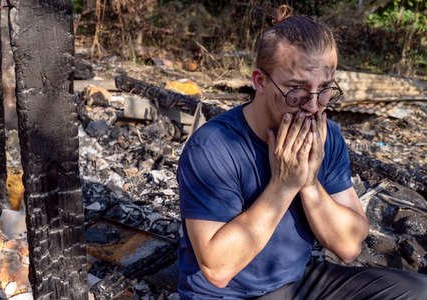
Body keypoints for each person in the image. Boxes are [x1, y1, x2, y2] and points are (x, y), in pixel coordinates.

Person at [177, 6, 427, 300]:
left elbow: (349, 246)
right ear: (259, 81)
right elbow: (217, 269)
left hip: (297, 283)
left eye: (324, 90)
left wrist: (309, 183)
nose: (313, 106)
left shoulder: (326, 134)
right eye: (296, 90)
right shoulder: (213, 147)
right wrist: (284, 185)